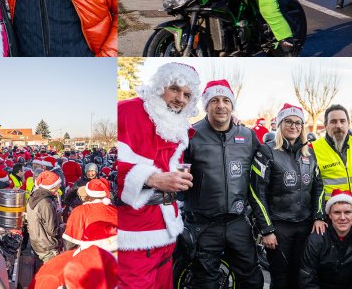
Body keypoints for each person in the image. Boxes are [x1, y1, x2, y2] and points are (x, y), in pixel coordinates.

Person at [117, 62, 200, 289]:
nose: (180, 99)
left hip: (168, 233)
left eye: (186, 95)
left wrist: (175, 182)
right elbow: (107, 169)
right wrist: (151, 178)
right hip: (135, 237)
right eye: (174, 89)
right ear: (160, 86)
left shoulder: (177, 125)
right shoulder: (126, 110)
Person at [182, 79, 264, 288]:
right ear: (206, 105)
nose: (221, 105)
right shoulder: (190, 134)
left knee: (251, 277)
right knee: (206, 280)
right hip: (203, 224)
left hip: (238, 221)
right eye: (215, 100)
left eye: (226, 100)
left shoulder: (246, 135)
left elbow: (269, 162)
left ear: (232, 105)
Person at [251, 103, 325, 289]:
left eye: (298, 123)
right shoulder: (266, 151)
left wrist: (318, 216)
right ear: (280, 124)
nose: (293, 126)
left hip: (305, 225)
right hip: (278, 227)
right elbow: (256, 192)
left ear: (303, 127)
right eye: (288, 122)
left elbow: (318, 186)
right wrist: (267, 229)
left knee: (302, 275)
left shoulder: (309, 152)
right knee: (281, 278)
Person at [62, 178, 117, 250]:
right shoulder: (114, 210)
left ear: (87, 193)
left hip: (88, 255)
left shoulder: (79, 211)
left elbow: (70, 241)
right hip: (113, 255)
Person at [26, 170, 62, 263]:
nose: (59, 186)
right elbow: (52, 230)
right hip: (46, 245)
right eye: (58, 184)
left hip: (37, 241)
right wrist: (63, 229)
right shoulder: (46, 202)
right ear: (52, 186)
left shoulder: (35, 195)